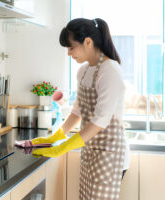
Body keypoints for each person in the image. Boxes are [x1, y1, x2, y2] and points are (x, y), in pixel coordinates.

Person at [32, 18, 128, 200]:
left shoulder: (110, 70)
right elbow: (78, 110)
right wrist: (57, 135)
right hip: (90, 151)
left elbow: (101, 120)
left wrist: (64, 147)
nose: (69, 53)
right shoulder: (83, 71)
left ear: (88, 42)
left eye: (71, 47)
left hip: (110, 155)